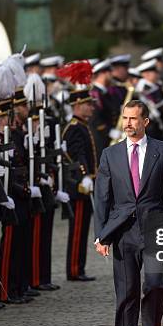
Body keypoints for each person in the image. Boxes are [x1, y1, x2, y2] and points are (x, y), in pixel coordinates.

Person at [94, 100, 163, 326]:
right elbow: (102, 198)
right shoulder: (110, 155)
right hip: (122, 234)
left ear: (146, 121)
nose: (128, 124)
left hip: (154, 229)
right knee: (126, 293)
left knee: (155, 286)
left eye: (134, 119)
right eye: (125, 118)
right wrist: (102, 236)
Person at [63, 88, 97, 282]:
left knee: (83, 228)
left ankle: (79, 267)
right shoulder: (75, 127)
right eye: (87, 104)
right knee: (77, 229)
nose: (91, 107)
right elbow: (76, 155)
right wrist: (84, 175)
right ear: (76, 105)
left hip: (86, 183)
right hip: (78, 185)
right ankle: (74, 269)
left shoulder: (81, 125)